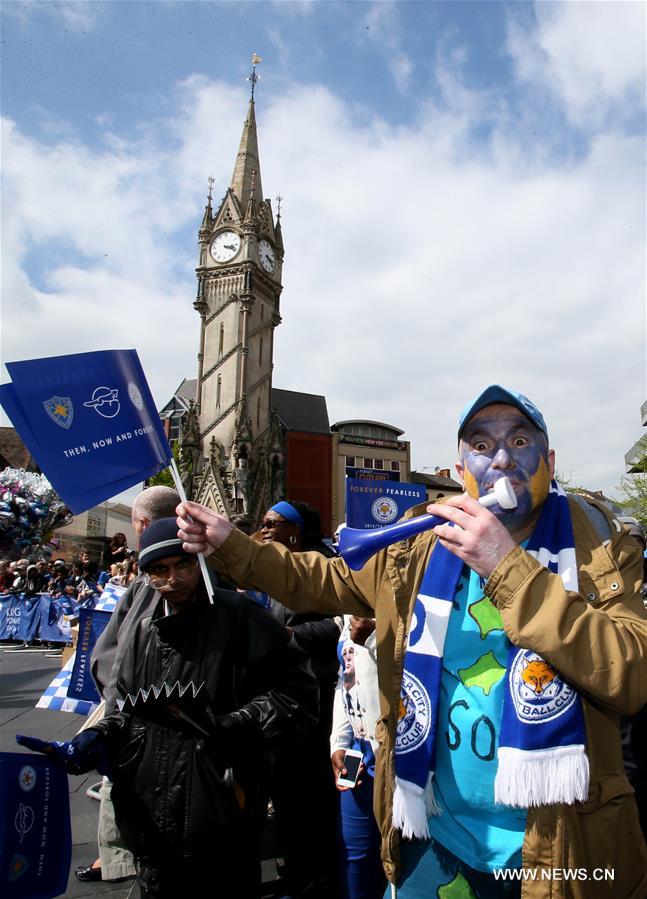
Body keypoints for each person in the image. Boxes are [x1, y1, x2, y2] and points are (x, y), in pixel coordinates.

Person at [177, 385, 647, 899]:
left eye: (520, 440)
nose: (503, 459)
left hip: (563, 852)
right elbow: (321, 582)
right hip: (432, 839)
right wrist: (233, 546)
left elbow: (630, 674)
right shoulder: (419, 543)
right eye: (482, 446)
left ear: (549, 461)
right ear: (461, 467)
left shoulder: (601, 548)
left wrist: (506, 566)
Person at [20, 517, 319, 898]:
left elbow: (297, 692)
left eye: (183, 565)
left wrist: (233, 726)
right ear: (145, 575)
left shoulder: (239, 615)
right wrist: (99, 735)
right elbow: (129, 709)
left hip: (219, 808)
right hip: (152, 815)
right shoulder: (144, 627)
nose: (173, 579)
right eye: (159, 571)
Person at [76, 486, 182, 884]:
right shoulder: (144, 581)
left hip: (144, 712)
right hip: (124, 704)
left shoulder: (175, 582)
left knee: (124, 787)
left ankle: (122, 859)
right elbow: (112, 649)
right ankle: (118, 858)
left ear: (142, 524)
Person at [259, 500, 341, 897]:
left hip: (318, 695)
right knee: (286, 787)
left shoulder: (324, 565)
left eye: (272, 523)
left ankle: (318, 874)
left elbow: (344, 624)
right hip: (283, 694)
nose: (265, 529)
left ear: (294, 530)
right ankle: (295, 868)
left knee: (312, 789)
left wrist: (295, 636)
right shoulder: (278, 566)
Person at [331, 616, 385, 899]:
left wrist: (374, 636)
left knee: (401, 860)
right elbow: (346, 677)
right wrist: (338, 742)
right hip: (357, 754)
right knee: (355, 856)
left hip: (398, 759)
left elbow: (416, 669)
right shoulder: (349, 607)